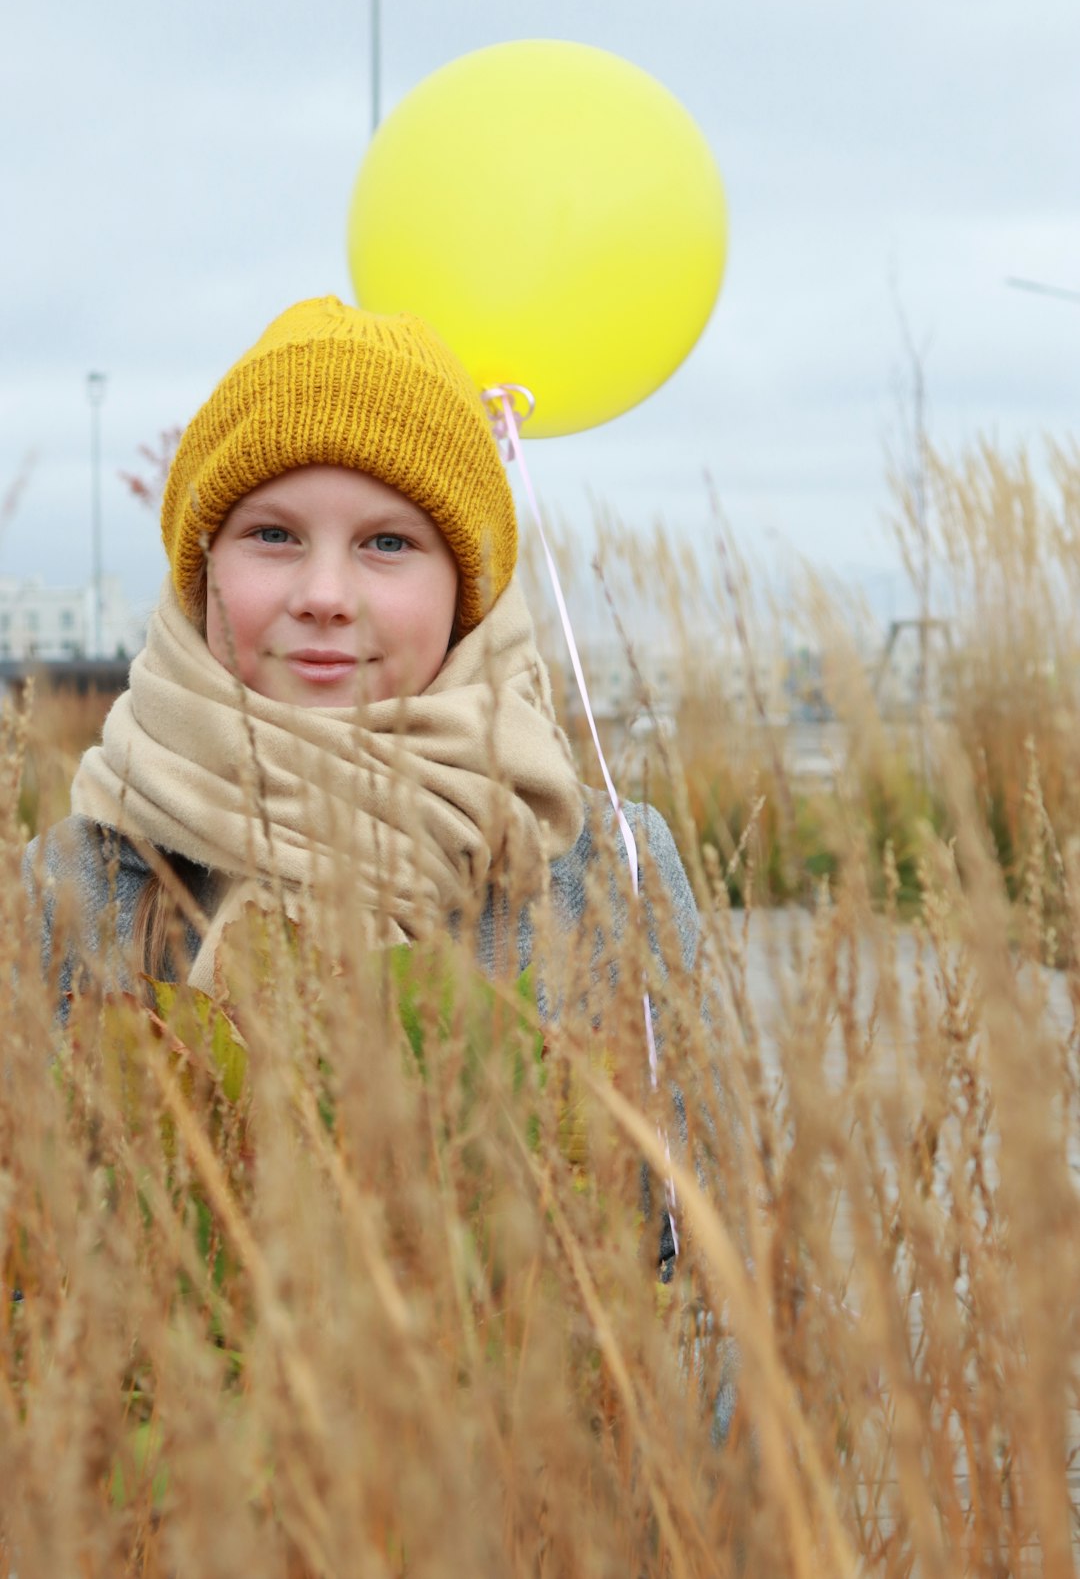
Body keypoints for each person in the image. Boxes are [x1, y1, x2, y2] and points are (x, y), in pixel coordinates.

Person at [22, 295, 701, 1274]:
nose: (326, 596)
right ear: (203, 568)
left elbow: (714, 1303)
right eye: (273, 536)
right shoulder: (73, 883)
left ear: (464, 587)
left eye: (389, 542)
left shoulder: (602, 874)